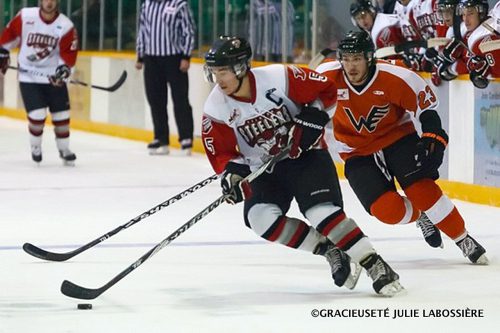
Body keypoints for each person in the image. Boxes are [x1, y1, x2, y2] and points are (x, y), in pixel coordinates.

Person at [201, 35, 404, 296]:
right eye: (214, 72)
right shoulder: (216, 106)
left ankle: (375, 263)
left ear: (241, 67)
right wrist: (232, 175)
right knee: (260, 219)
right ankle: (329, 249)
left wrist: (314, 117)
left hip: (306, 157)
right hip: (265, 169)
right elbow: (222, 153)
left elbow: (327, 91)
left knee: (321, 213)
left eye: (224, 72)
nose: (219, 80)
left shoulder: (278, 78)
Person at [315, 31, 488, 265]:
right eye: (345, 59)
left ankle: (463, 239)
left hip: (397, 138)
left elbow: (425, 109)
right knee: (388, 211)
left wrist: (432, 133)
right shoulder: (327, 76)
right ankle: (421, 215)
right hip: (355, 150)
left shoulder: (395, 76)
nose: (351, 66)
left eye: (356, 59)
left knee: (422, 191)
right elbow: (299, 99)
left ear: (369, 58)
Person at [0, 0, 78, 166]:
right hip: (29, 76)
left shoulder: (66, 25)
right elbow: (9, 36)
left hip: (53, 77)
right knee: (37, 116)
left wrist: (63, 71)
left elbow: (68, 54)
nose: (49, 2)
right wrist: (3, 52)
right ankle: (35, 146)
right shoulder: (26, 16)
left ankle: (64, 149)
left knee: (62, 116)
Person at [136, 0, 195, 155]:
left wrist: (186, 56)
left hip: (174, 58)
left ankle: (186, 138)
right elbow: (143, 31)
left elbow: (188, 30)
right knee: (155, 99)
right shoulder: (146, 5)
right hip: (151, 59)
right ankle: (161, 138)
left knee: (180, 99)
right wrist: (140, 56)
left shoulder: (179, 4)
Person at [457, 0, 500, 89]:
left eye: (470, 13)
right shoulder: (474, 40)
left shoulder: (495, 14)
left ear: (481, 13)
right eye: (464, 14)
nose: (466, 19)